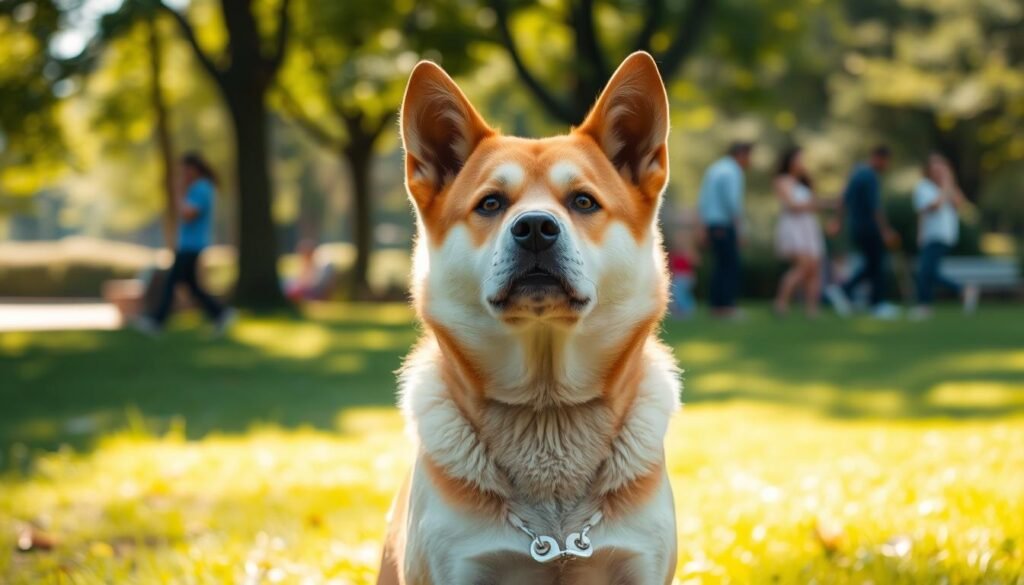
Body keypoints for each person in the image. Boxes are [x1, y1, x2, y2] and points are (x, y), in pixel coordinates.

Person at [134, 153, 235, 335]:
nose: (183, 175)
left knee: (172, 282)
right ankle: (220, 313)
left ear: (194, 169)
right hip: (189, 245)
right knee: (191, 286)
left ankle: (157, 321)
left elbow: (188, 214)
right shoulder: (199, 188)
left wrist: (179, 193)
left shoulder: (201, 188)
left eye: (185, 171)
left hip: (192, 245)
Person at [910, 153, 979, 319]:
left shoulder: (949, 187)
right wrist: (920, 234)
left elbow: (959, 204)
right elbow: (933, 206)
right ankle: (961, 291)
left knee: (926, 271)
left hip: (944, 235)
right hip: (930, 235)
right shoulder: (924, 187)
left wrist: (949, 184)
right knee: (927, 272)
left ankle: (927, 305)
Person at [836, 145, 901, 319]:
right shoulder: (870, 176)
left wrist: (838, 221)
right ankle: (876, 304)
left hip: (857, 227)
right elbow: (875, 208)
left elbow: (843, 199)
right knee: (877, 265)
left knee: (872, 265)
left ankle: (845, 290)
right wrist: (885, 230)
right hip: (870, 228)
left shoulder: (856, 173)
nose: (886, 166)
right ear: (879, 158)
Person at [772, 147, 835, 318]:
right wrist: (816, 205)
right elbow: (793, 205)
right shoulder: (782, 181)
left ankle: (812, 309)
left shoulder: (805, 182)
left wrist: (831, 203)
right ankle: (781, 302)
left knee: (815, 267)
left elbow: (814, 201)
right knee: (802, 267)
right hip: (794, 226)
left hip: (808, 225)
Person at [698, 142, 752, 319]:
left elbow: (704, 200)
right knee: (729, 265)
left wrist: (704, 227)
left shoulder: (715, 169)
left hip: (713, 224)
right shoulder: (732, 171)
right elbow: (732, 203)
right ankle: (727, 306)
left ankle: (716, 305)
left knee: (720, 265)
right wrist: (741, 229)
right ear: (741, 154)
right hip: (724, 224)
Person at [667, 230, 699, 318]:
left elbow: (696, 263)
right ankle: (683, 310)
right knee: (678, 293)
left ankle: (685, 310)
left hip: (686, 276)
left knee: (681, 293)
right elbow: (671, 265)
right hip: (677, 276)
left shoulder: (689, 252)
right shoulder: (675, 252)